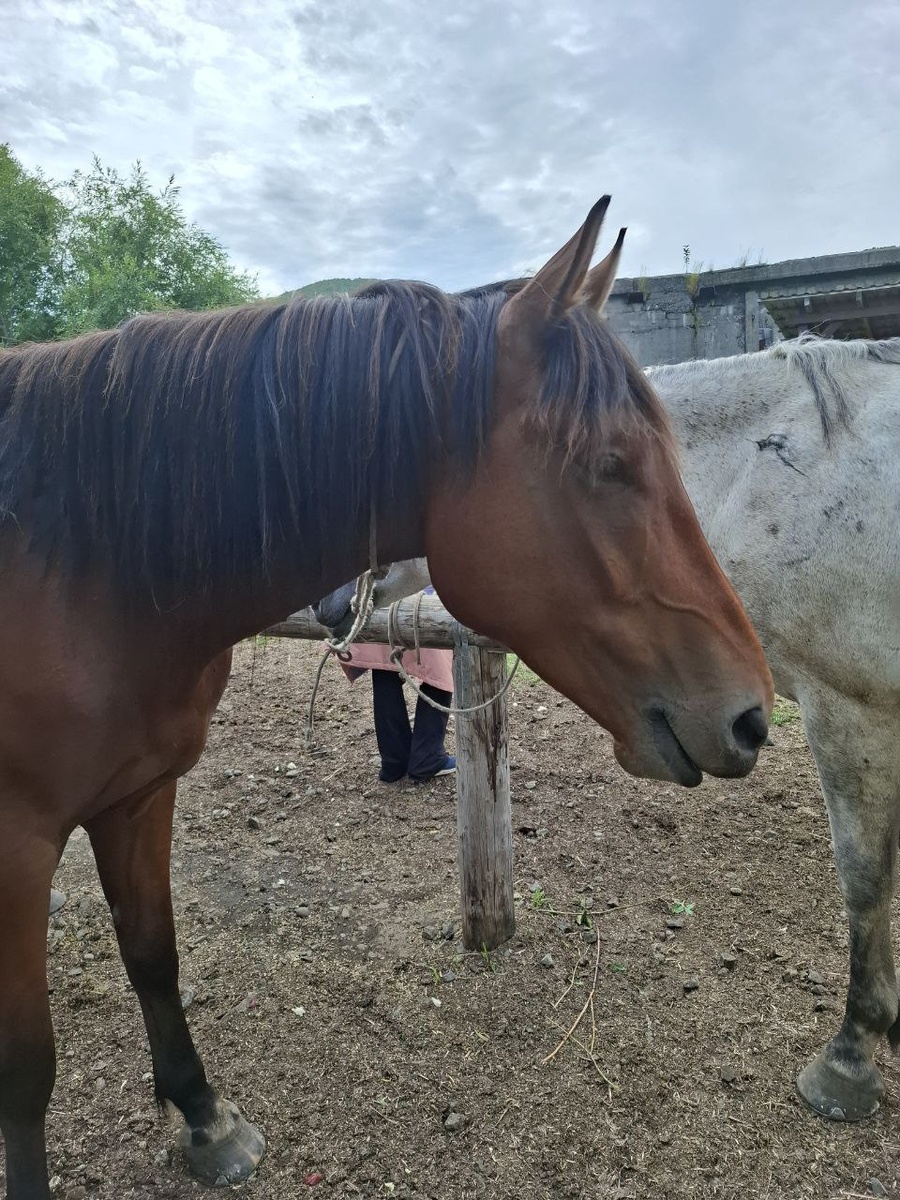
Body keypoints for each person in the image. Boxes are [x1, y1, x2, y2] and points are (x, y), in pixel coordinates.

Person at [314, 571, 455, 784]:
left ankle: (394, 759)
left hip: (377, 598)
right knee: (438, 667)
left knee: (385, 663)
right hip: (413, 598)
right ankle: (427, 757)